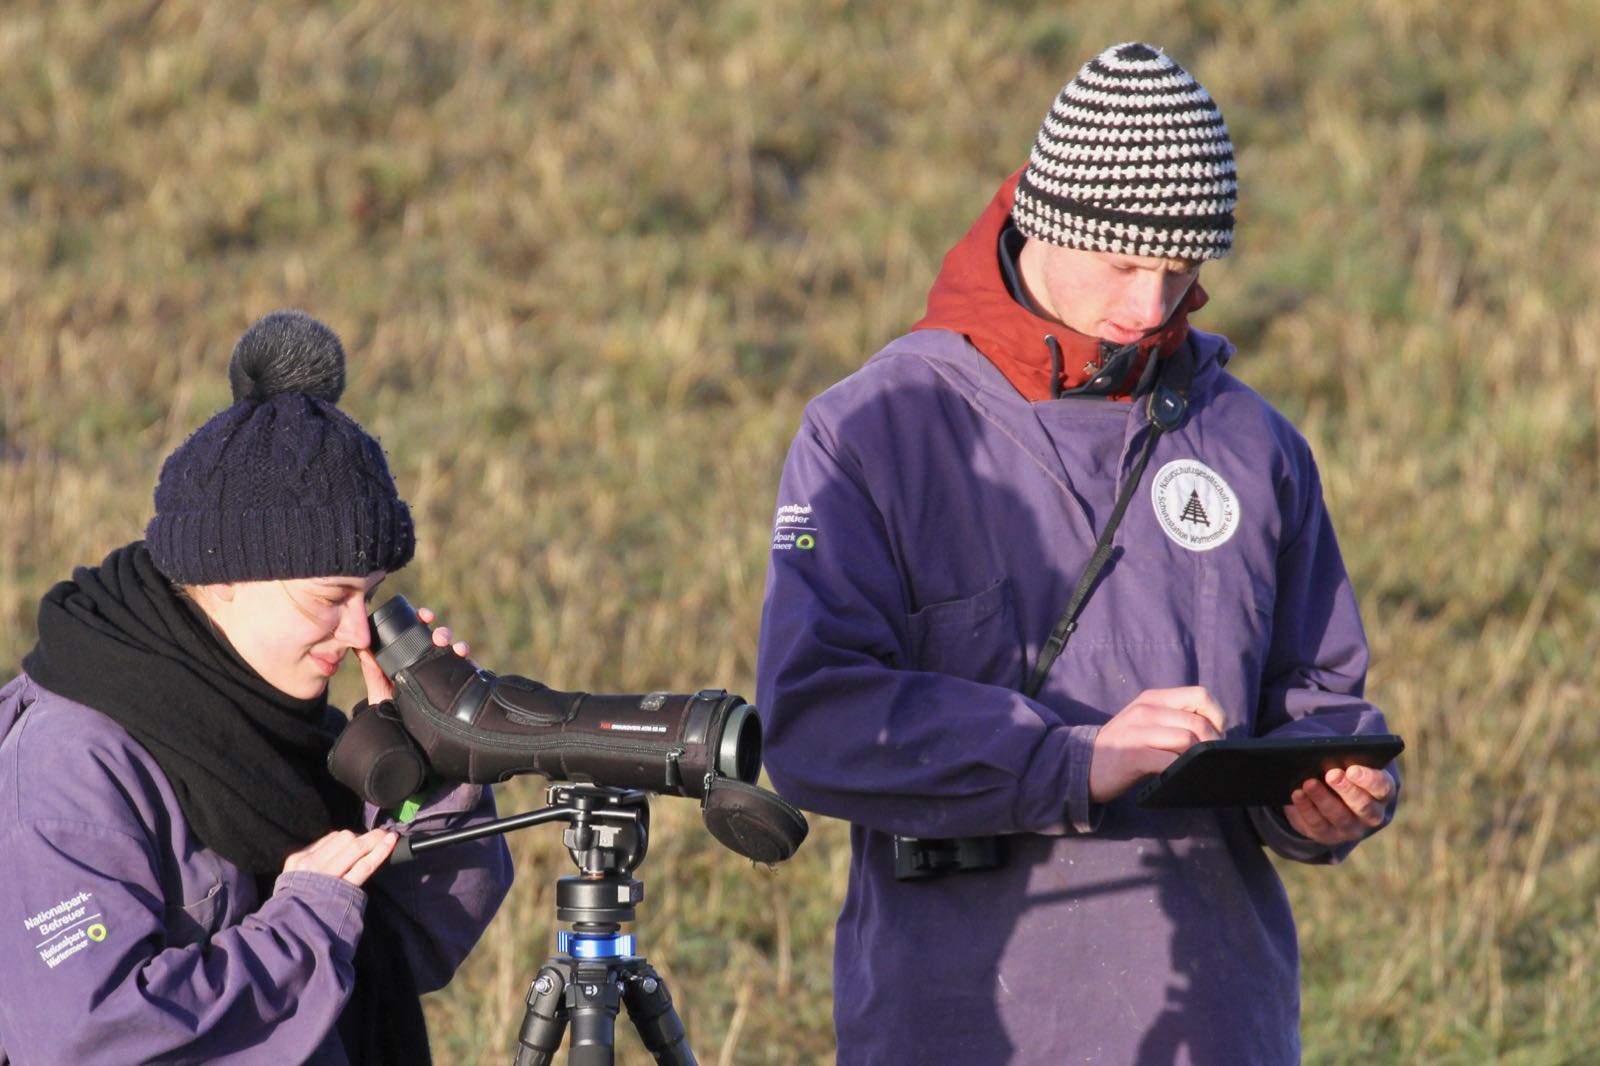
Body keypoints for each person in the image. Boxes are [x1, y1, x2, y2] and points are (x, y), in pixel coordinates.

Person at [755, 42, 1399, 1065]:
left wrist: (1325, 797)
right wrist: (1071, 758)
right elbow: (813, 723)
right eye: (1123, 263)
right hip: (956, 1024)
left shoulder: (1254, 443)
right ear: (1042, 223)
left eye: (1181, 268)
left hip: (1218, 1022)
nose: (1151, 307)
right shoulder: (870, 431)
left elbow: (1318, 700)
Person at [0, 311, 513, 1064]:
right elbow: (86, 1036)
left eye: (369, 596)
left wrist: (431, 772)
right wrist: (304, 926)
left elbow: (412, 949)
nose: (358, 631)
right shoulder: (71, 764)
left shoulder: (286, 722)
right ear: (224, 575)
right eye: (328, 597)